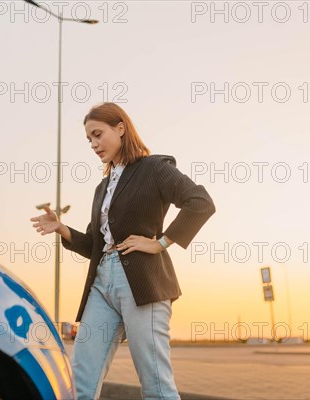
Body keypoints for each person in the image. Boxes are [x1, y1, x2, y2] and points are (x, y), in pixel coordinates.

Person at [30, 103, 215, 400]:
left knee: (155, 383)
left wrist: (160, 242)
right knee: (80, 380)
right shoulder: (102, 188)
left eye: (98, 134)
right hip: (102, 283)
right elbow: (95, 244)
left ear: (120, 128)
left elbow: (201, 202)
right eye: (89, 139)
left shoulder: (154, 168)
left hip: (142, 283)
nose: (93, 144)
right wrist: (62, 229)